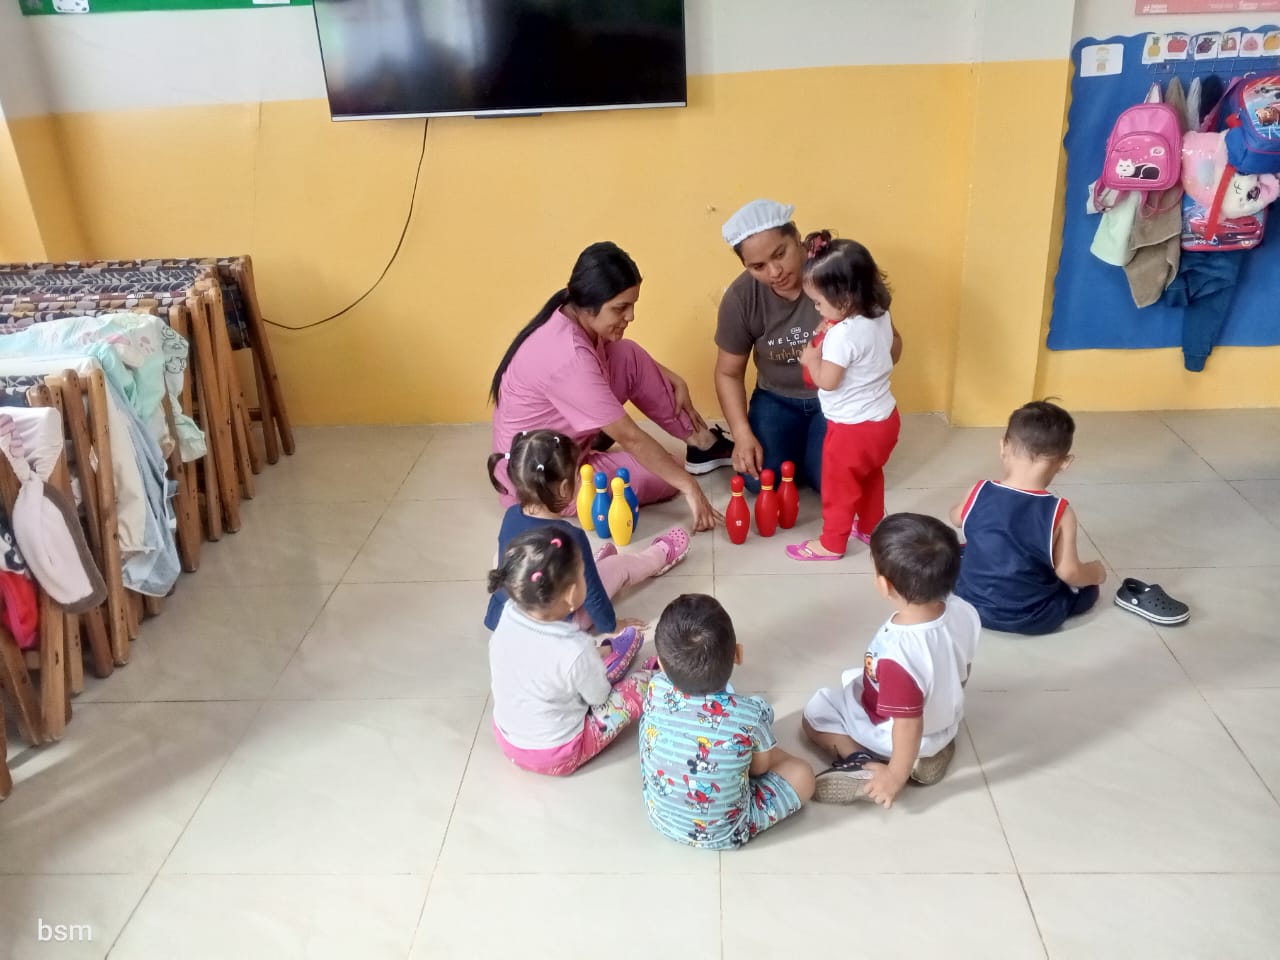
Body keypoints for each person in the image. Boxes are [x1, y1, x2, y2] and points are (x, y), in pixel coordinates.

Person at [491, 241, 732, 533]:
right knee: (666, 471)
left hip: (562, 440)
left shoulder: (572, 313)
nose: (630, 316)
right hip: (543, 478)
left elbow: (630, 363)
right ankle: (602, 436)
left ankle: (702, 443)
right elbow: (631, 437)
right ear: (588, 303)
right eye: (621, 308)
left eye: (632, 305)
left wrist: (673, 378)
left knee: (626, 353)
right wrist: (689, 486)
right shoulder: (569, 356)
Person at [715, 200, 902, 493]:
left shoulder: (838, 276)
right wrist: (741, 434)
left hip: (840, 400)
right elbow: (728, 372)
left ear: (797, 237)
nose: (775, 272)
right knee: (758, 479)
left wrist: (866, 357)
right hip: (776, 398)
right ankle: (803, 451)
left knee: (833, 482)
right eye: (758, 266)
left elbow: (892, 345)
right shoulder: (741, 297)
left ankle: (811, 455)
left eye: (780, 254)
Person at [802, 513, 980, 807]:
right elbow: (963, 670)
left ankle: (861, 760)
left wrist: (895, 777)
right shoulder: (965, 611)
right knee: (869, 685)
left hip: (890, 733)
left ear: (884, 584)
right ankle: (931, 752)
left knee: (817, 712)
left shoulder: (899, 653)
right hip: (943, 723)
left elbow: (908, 724)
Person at [640, 594, 815, 849]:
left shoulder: (655, 688)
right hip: (727, 833)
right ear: (738, 655)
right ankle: (742, 757)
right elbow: (759, 769)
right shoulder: (749, 715)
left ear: (661, 666)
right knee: (803, 775)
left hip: (661, 818)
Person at [484, 429, 690, 633]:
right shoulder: (570, 536)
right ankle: (661, 554)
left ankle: (585, 566)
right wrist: (613, 626)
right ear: (564, 488)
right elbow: (593, 595)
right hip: (560, 625)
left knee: (504, 556)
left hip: (508, 620)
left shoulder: (511, 515)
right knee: (618, 565)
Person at [487, 527, 651, 776]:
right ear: (573, 594)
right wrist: (592, 666)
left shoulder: (508, 613)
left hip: (508, 739)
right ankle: (644, 674)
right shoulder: (575, 647)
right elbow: (599, 698)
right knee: (637, 687)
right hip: (558, 753)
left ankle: (597, 664)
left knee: (576, 671)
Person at [785, 232, 901, 561]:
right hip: (885, 420)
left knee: (839, 487)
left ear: (846, 299)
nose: (817, 309)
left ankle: (832, 544)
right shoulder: (879, 313)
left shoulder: (842, 336)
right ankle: (870, 527)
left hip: (851, 430)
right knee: (871, 474)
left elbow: (828, 382)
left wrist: (811, 360)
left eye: (819, 303)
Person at [950, 401, 1107, 634]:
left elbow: (957, 518)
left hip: (969, 604)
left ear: (1003, 446)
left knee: (962, 550)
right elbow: (1069, 572)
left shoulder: (979, 490)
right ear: (1065, 463)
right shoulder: (1060, 511)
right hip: (1032, 617)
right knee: (1086, 590)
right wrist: (1096, 572)